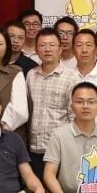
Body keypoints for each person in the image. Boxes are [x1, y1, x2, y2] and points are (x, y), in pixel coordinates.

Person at [25, 28, 76, 177]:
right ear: (36, 50)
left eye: (52, 45)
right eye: (42, 45)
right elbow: (28, 109)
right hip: (34, 148)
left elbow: (74, 116)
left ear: (60, 49)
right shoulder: (31, 75)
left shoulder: (71, 77)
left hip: (59, 149)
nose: (47, 49)